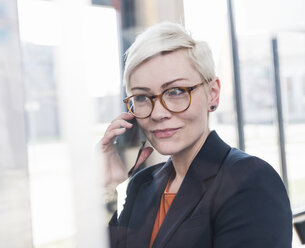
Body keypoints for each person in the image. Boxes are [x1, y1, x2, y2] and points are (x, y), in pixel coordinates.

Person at [100, 22, 292, 248]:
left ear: (213, 94)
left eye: (176, 92)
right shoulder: (143, 184)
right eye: (142, 97)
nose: (159, 113)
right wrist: (105, 188)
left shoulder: (250, 180)